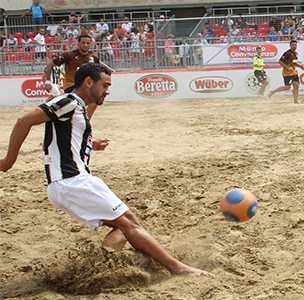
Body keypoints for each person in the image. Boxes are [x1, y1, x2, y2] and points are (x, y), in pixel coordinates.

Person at [0, 63, 210, 277]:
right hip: (71, 181)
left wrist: (90, 143)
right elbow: (23, 121)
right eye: (105, 85)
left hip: (72, 180)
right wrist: (8, 161)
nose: (107, 90)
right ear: (89, 82)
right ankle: (177, 268)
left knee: (127, 224)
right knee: (128, 222)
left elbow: (67, 136)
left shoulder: (78, 106)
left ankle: (102, 266)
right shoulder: (68, 101)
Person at [41, 34, 100, 115]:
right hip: (71, 86)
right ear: (78, 44)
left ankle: (86, 122)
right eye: (83, 43)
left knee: (95, 99)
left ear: (90, 44)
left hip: (86, 87)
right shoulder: (69, 55)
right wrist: (47, 81)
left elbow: (98, 73)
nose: (85, 45)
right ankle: (48, 106)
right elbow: (50, 65)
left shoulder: (94, 57)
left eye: (88, 43)